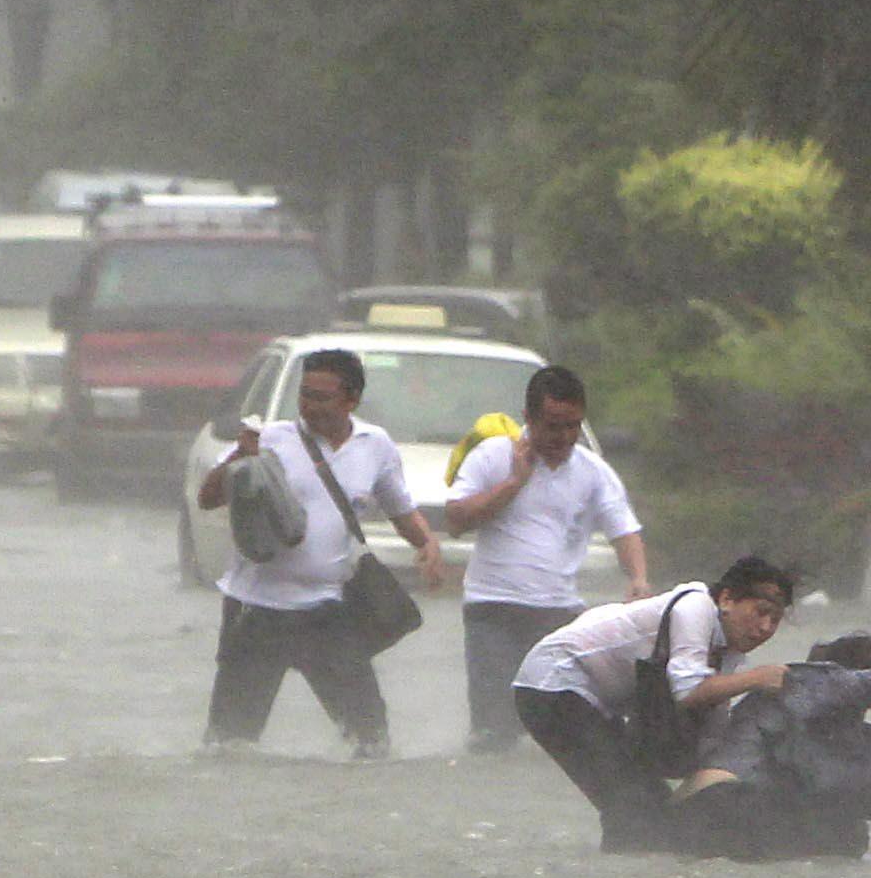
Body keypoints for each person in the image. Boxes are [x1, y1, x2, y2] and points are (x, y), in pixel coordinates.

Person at [194, 347, 448, 758]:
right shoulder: (269, 440)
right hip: (256, 609)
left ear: (351, 400)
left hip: (327, 611)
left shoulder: (375, 445)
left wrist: (427, 545)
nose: (309, 406)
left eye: (321, 397)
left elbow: (400, 509)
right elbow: (207, 498)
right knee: (229, 744)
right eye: (304, 394)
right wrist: (240, 459)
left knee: (371, 739)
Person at [511, 556, 798, 851]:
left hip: (591, 701)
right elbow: (689, 690)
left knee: (654, 803)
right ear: (726, 599)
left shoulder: (729, 655)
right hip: (551, 684)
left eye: (775, 620)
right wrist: (757, 679)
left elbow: (712, 733)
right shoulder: (695, 608)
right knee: (632, 802)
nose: (765, 627)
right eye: (761, 612)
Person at [440, 364, 650, 753]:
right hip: (493, 609)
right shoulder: (492, 456)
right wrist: (513, 483)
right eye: (554, 426)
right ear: (528, 418)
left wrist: (637, 579)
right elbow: (455, 521)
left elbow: (624, 530)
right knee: (494, 732)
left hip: (558, 614)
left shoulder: (593, 472)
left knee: (570, 730)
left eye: (573, 426)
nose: (564, 437)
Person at [672, 632, 871, 861]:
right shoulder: (830, 683)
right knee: (847, 835)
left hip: (688, 809)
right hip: (727, 801)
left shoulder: (792, 698)